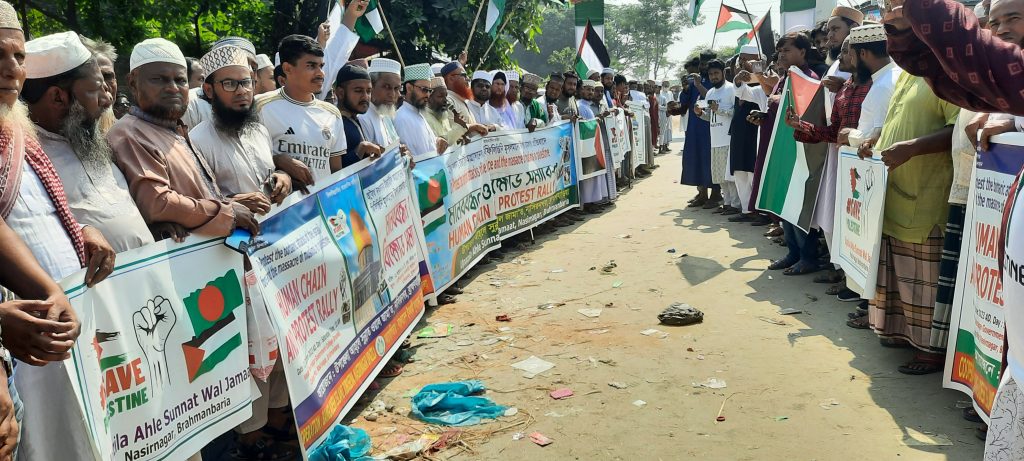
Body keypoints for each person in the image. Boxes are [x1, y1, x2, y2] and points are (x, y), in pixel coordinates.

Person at [0, 22, 118, 461]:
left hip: (57, 325)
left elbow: (30, 214)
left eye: (18, 57)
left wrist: (80, 232)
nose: (13, 70)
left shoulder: (15, 131)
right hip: (22, 342)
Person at [186, 45, 295, 460]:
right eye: (229, 84)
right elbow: (203, 202)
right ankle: (251, 437)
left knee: (282, 339)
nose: (241, 92)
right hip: (233, 264)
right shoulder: (198, 140)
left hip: (274, 256)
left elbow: (269, 173)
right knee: (251, 351)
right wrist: (234, 201)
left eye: (246, 82)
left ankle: (280, 420)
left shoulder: (258, 130)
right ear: (209, 90)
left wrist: (282, 176)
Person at [853, 45, 960, 376]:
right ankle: (903, 334)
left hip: (927, 195)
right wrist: (876, 139)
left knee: (924, 279)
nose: (896, 47)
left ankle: (931, 350)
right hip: (896, 192)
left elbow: (957, 131)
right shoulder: (905, 76)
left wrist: (913, 148)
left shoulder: (946, 76)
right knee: (900, 274)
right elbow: (895, 121)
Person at [109, 38, 259, 241]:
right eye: (159, 79)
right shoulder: (130, 134)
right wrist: (227, 212)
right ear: (133, 82)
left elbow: (195, 195)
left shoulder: (175, 130)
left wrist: (230, 203)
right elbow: (159, 203)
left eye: (180, 80)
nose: (172, 88)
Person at [23, 32, 154, 254]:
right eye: (95, 90)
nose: (107, 99)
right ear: (58, 97)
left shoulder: (91, 138)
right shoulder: (27, 160)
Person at [784, 36, 872, 291]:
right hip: (841, 163)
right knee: (837, 221)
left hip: (864, 168)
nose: (840, 57)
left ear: (861, 55)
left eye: (846, 52)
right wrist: (800, 125)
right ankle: (845, 274)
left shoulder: (874, 87)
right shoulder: (845, 89)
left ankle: (856, 284)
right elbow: (834, 131)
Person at [753, 33, 822, 275]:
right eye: (780, 51)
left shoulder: (809, 79)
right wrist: (765, 115)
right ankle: (793, 252)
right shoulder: (785, 78)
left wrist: (775, 102)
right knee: (785, 203)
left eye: (788, 50)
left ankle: (807, 256)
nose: (782, 55)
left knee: (799, 204)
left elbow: (801, 110)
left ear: (803, 52)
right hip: (782, 150)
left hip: (799, 151)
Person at [256, 34, 347, 179]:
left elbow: (335, 171)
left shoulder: (332, 113)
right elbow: (248, 161)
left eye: (321, 66)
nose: (320, 74)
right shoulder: (260, 107)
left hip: (319, 201)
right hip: (279, 201)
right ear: (287, 68)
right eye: (311, 66)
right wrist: (278, 160)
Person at [728, 45, 767, 224]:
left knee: (754, 171)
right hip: (739, 131)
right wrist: (738, 80)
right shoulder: (741, 79)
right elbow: (740, 92)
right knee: (740, 171)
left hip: (756, 131)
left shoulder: (766, 80)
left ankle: (761, 211)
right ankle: (746, 209)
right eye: (741, 59)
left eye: (747, 58)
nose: (743, 62)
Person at [674, 52, 718, 208]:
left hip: (710, 127)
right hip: (694, 127)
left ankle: (715, 195)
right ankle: (702, 193)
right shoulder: (693, 81)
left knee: (710, 161)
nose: (704, 66)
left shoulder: (715, 80)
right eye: (702, 63)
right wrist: (685, 89)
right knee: (696, 159)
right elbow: (684, 104)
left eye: (707, 63)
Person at [693, 61, 736, 215]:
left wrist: (720, 109)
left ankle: (736, 205)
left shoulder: (731, 89)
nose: (714, 77)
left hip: (729, 138)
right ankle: (727, 203)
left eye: (716, 73)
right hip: (715, 139)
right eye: (711, 74)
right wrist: (700, 114)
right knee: (720, 176)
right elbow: (711, 117)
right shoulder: (710, 93)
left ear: (723, 73)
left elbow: (735, 113)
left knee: (730, 176)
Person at [333, 64, 384, 167]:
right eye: (358, 91)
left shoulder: (354, 119)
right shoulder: (333, 123)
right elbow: (334, 172)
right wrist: (361, 149)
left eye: (368, 91)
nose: (365, 97)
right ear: (340, 93)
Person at [394, 64, 448, 160]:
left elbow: (424, 146)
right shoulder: (402, 118)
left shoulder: (418, 113)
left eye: (429, 91)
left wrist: (437, 140)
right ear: (409, 88)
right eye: (424, 90)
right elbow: (412, 159)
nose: (427, 95)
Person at [441, 61, 491, 141]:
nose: (467, 79)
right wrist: (474, 127)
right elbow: (450, 132)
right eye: (463, 75)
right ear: (451, 78)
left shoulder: (460, 100)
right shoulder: (447, 100)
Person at [360, 58, 401, 147]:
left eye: (396, 88)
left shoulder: (386, 115)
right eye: (387, 87)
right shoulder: (363, 117)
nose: (392, 94)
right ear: (371, 86)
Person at [423, 76, 458, 146]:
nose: (446, 100)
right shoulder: (424, 119)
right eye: (440, 96)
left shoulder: (442, 115)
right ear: (429, 97)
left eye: (446, 96)